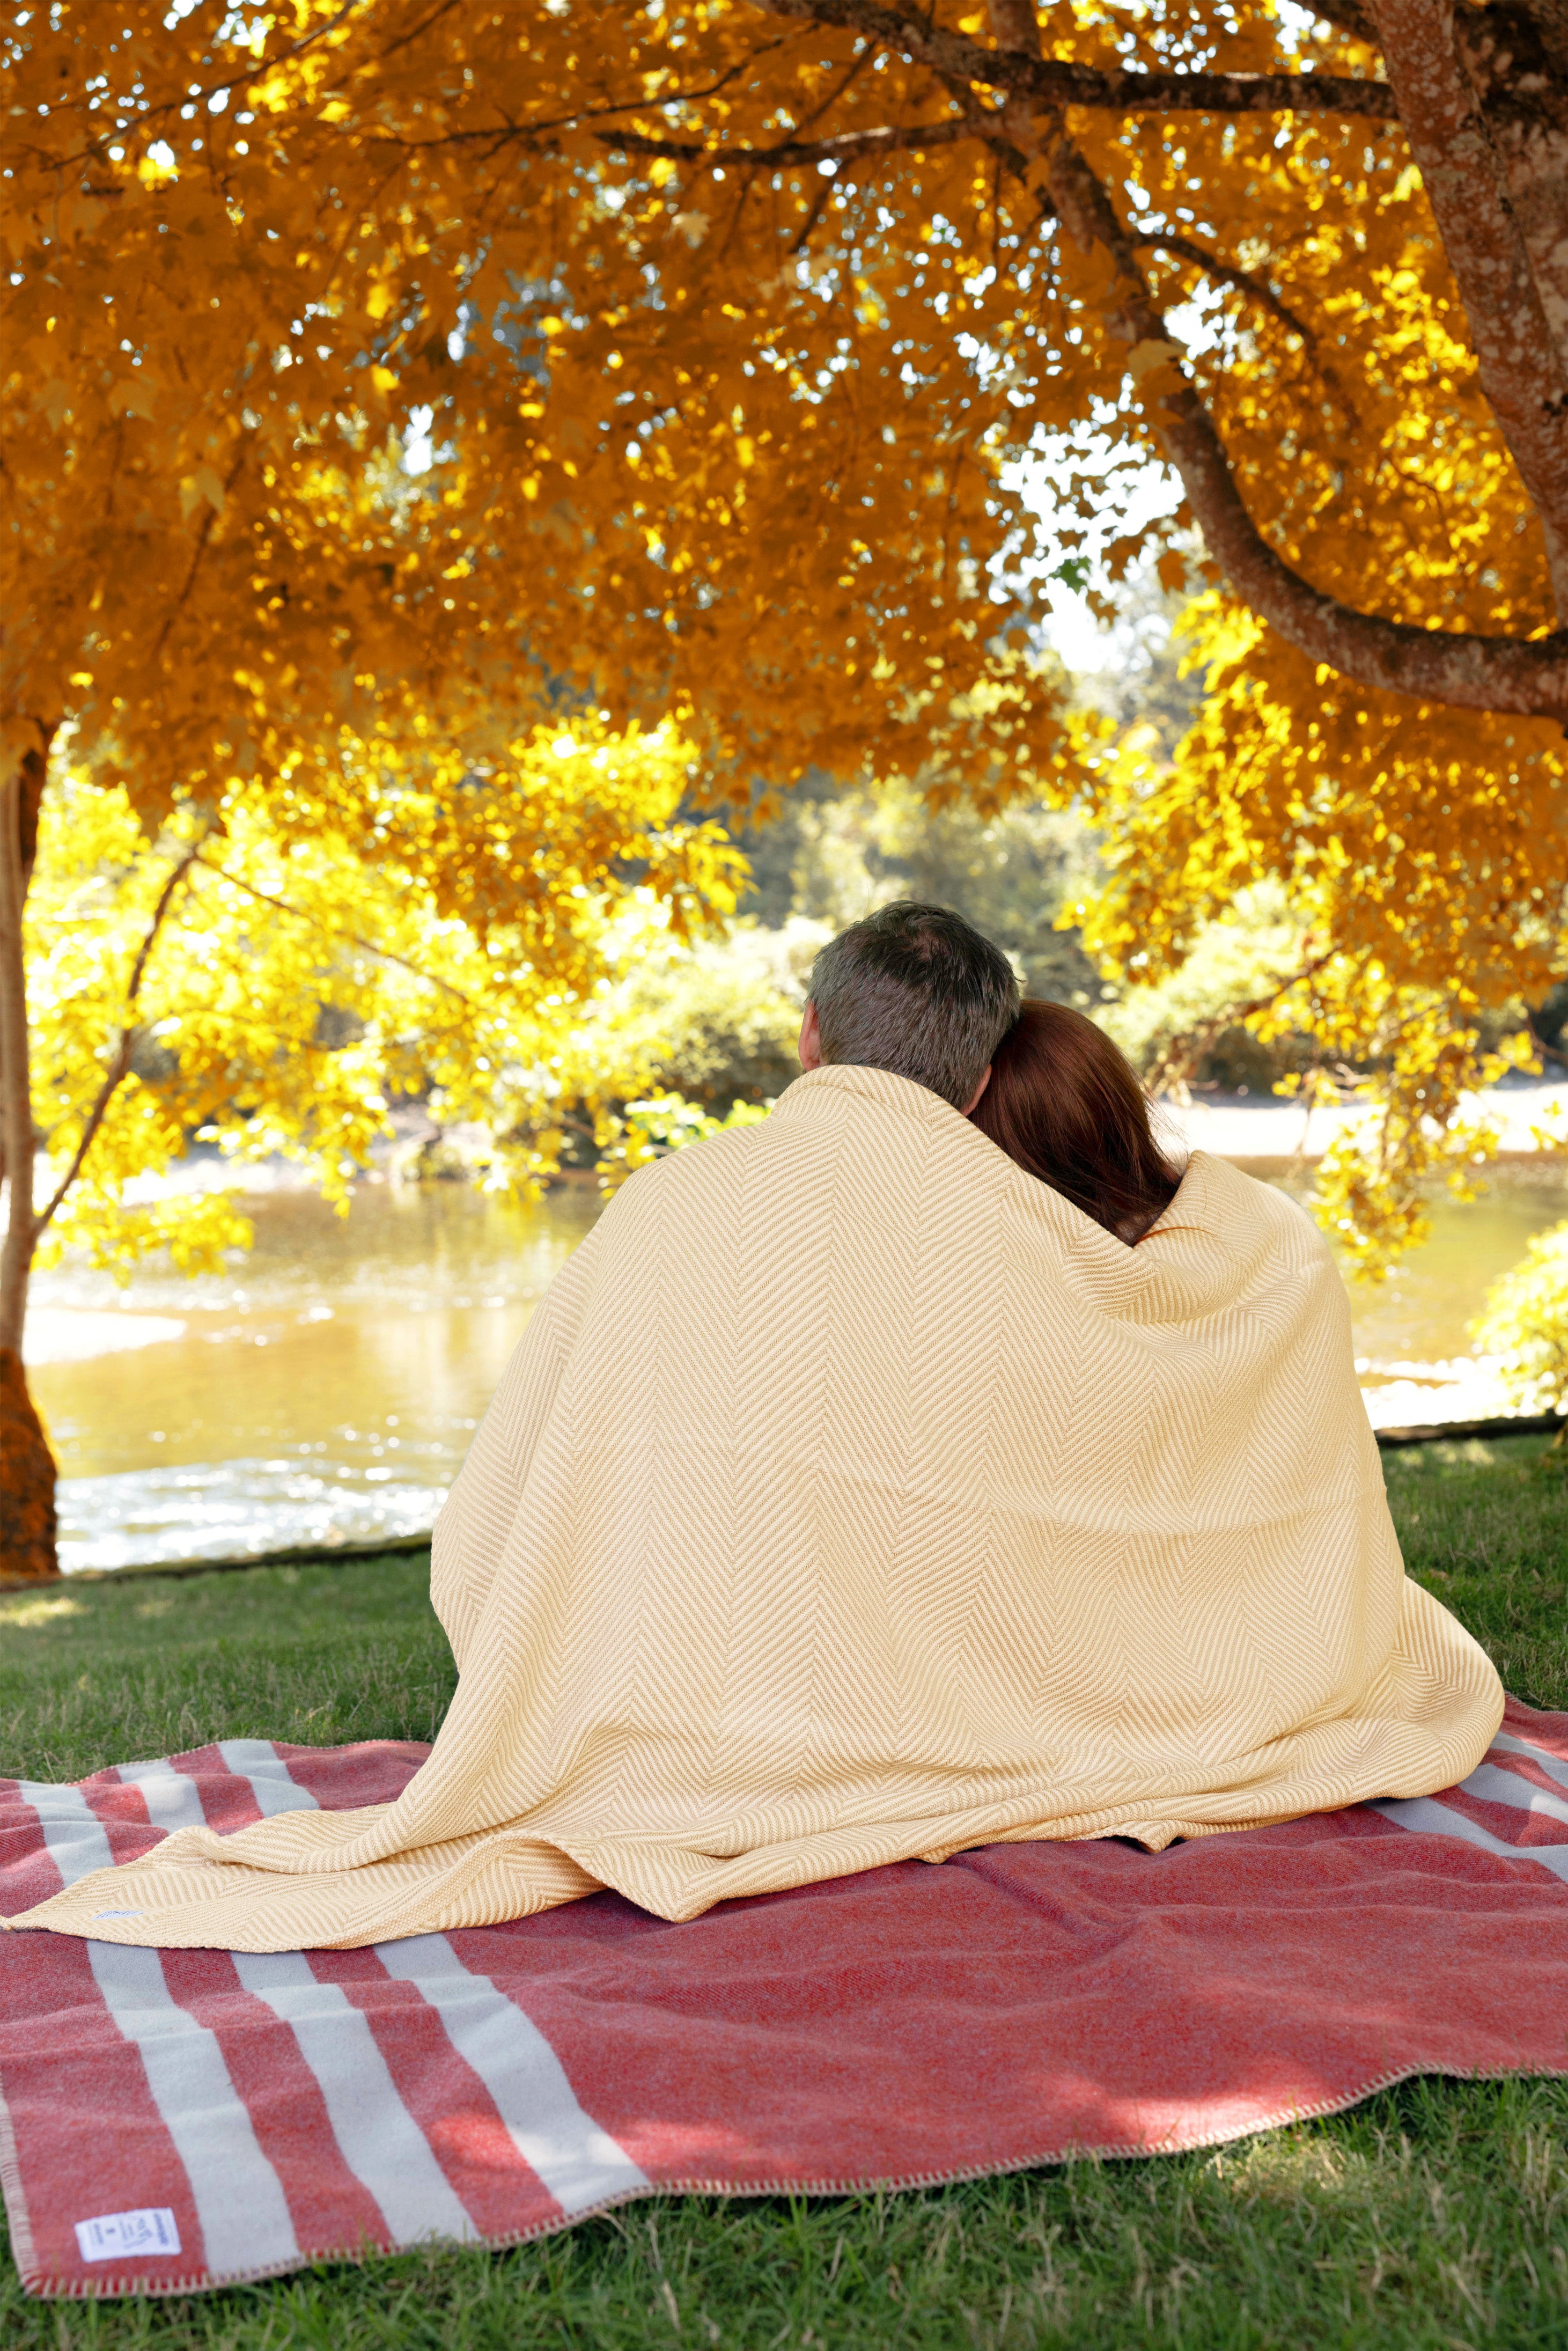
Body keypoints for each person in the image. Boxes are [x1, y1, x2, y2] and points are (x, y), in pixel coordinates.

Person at [13, 903, 1503, 1956]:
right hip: (1016, 1683)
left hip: (709, 1720)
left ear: (804, 1038)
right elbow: (1191, 1339)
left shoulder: (673, 1203)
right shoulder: (1048, 1250)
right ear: (983, 1078)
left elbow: (507, 1519)